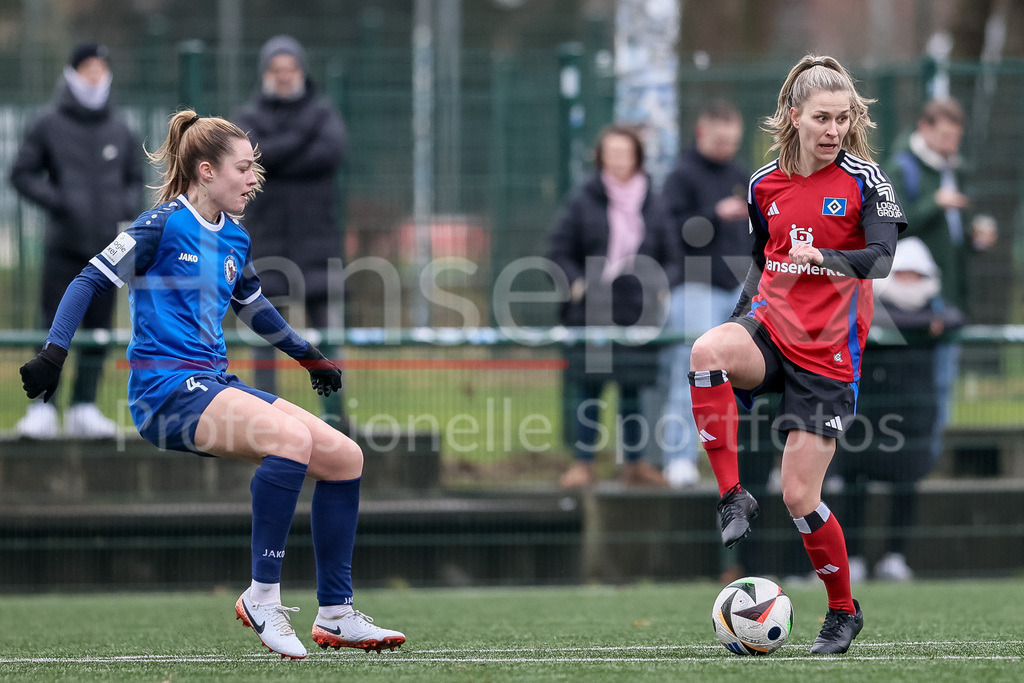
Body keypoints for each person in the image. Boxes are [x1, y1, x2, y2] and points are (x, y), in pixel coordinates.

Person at [18, 110, 404, 660]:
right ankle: (262, 599)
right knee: (289, 443)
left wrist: (309, 357)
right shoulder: (159, 226)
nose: (254, 178)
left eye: (255, 168)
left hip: (211, 382)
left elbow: (255, 308)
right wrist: (53, 354)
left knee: (345, 457)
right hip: (165, 395)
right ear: (205, 171)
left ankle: (337, 614)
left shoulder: (235, 239)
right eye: (243, 168)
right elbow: (88, 278)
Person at [687, 55, 907, 654]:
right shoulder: (763, 184)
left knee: (799, 498)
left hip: (830, 354)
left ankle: (842, 612)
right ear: (794, 116)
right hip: (772, 328)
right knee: (708, 349)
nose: (834, 130)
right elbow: (761, 262)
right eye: (822, 118)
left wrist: (828, 261)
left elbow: (882, 260)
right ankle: (732, 494)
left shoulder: (866, 180)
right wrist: (741, 321)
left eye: (843, 118)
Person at [10, 42, 144, 439]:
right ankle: (42, 408)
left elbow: (135, 179)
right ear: (72, 72)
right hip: (62, 246)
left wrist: (123, 204)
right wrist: (62, 202)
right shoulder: (47, 123)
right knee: (52, 324)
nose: (95, 74)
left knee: (98, 330)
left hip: (109, 249)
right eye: (87, 67)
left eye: (101, 67)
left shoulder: (121, 126)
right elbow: (22, 173)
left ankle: (86, 405)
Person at [548, 124, 678, 489]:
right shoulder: (582, 200)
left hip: (637, 311)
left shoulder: (654, 202)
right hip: (592, 310)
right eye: (612, 153)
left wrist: (660, 283)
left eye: (626, 153)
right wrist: (574, 282)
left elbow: (672, 256)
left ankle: (634, 465)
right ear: (601, 158)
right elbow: (558, 250)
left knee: (633, 389)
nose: (619, 161)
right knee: (588, 389)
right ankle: (583, 463)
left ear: (637, 157)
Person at [231, 35, 348, 428]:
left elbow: (330, 153)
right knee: (266, 330)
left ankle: (335, 415)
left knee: (328, 332)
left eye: (290, 69)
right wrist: (301, 139)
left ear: (301, 72)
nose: (284, 77)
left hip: (318, 241)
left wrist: (277, 157)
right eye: (276, 70)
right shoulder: (248, 116)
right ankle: (268, 417)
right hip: (269, 240)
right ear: (266, 74)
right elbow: (251, 156)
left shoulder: (324, 112)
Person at [834, 237, 963, 582]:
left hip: (914, 416)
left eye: (916, 275)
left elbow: (955, 316)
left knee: (907, 486)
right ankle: (854, 557)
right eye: (902, 273)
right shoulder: (868, 306)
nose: (909, 281)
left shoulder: (938, 312)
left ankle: (895, 556)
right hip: (866, 416)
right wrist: (922, 325)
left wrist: (927, 322)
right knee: (854, 487)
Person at [883, 97, 997, 467]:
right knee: (915, 389)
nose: (952, 145)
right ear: (925, 129)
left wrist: (975, 240)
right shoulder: (901, 168)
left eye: (956, 138)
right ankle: (913, 459)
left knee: (944, 382)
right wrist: (936, 202)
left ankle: (929, 460)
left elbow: (951, 236)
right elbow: (894, 226)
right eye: (945, 136)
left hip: (948, 297)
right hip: (910, 305)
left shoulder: (955, 169)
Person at [658, 99, 751, 488]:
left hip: (737, 287)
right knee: (689, 374)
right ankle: (678, 459)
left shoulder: (743, 175)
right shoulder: (681, 177)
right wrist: (715, 214)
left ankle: (739, 464)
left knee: (743, 377)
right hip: (694, 286)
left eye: (733, 141)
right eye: (720, 140)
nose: (727, 148)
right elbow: (671, 231)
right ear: (701, 133)